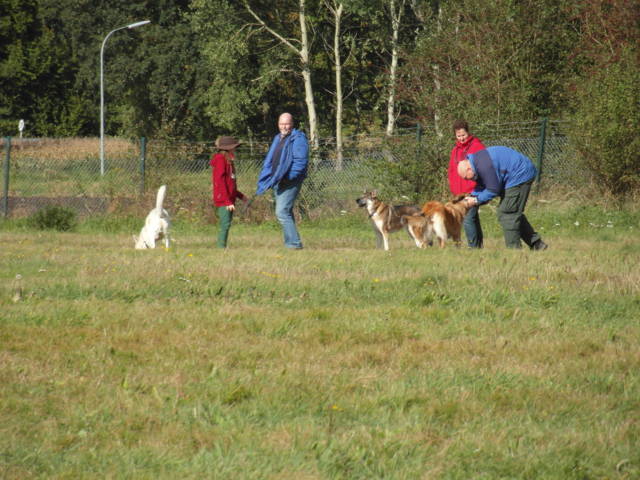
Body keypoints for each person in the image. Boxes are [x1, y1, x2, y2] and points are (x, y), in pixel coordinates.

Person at [457, 146, 548, 250]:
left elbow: (493, 189)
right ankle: (537, 244)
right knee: (512, 211)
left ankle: (514, 251)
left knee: (507, 213)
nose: (468, 180)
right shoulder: (475, 163)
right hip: (510, 177)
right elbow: (483, 185)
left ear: (469, 169)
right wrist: (472, 198)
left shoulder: (483, 165)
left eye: (466, 177)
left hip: (520, 175)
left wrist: (476, 200)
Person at [256, 112, 309, 249]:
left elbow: (300, 163)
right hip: (278, 180)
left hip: (290, 182)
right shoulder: (278, 138)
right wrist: (269, 177)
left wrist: (287, 177)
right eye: (281, 124)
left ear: (292, 124)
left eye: (287, 123)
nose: (284, 126)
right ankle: (290, 243)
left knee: (281, 212)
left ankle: (294, 244)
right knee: (286, 212)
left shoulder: (298, 139)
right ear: (278, 124)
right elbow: (271, 158)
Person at [448, 120, 486, 248]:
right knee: (472, 218)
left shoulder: (477, 146)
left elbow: (484, 167)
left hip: (473, 189)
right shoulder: (455, 150)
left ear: (468, 132)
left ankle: (473, 247)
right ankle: (478, 245)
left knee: (468, 218)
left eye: (463, 135)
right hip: (459, 192)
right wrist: (453, 187)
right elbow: (452, 170)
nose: (461, 138)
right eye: (458, 136)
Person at [211, 136, 246, 248]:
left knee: (227, 223)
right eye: (234, 147)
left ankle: (222, 246)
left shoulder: (228, 160)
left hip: (229, 199)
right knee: (225, 224)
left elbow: (230, 184)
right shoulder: (221, 160)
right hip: (223, 200)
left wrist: (241, 196)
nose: (235, 149)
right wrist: (227, 201)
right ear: (228, 148)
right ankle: (221, 248)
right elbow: (220, 182)